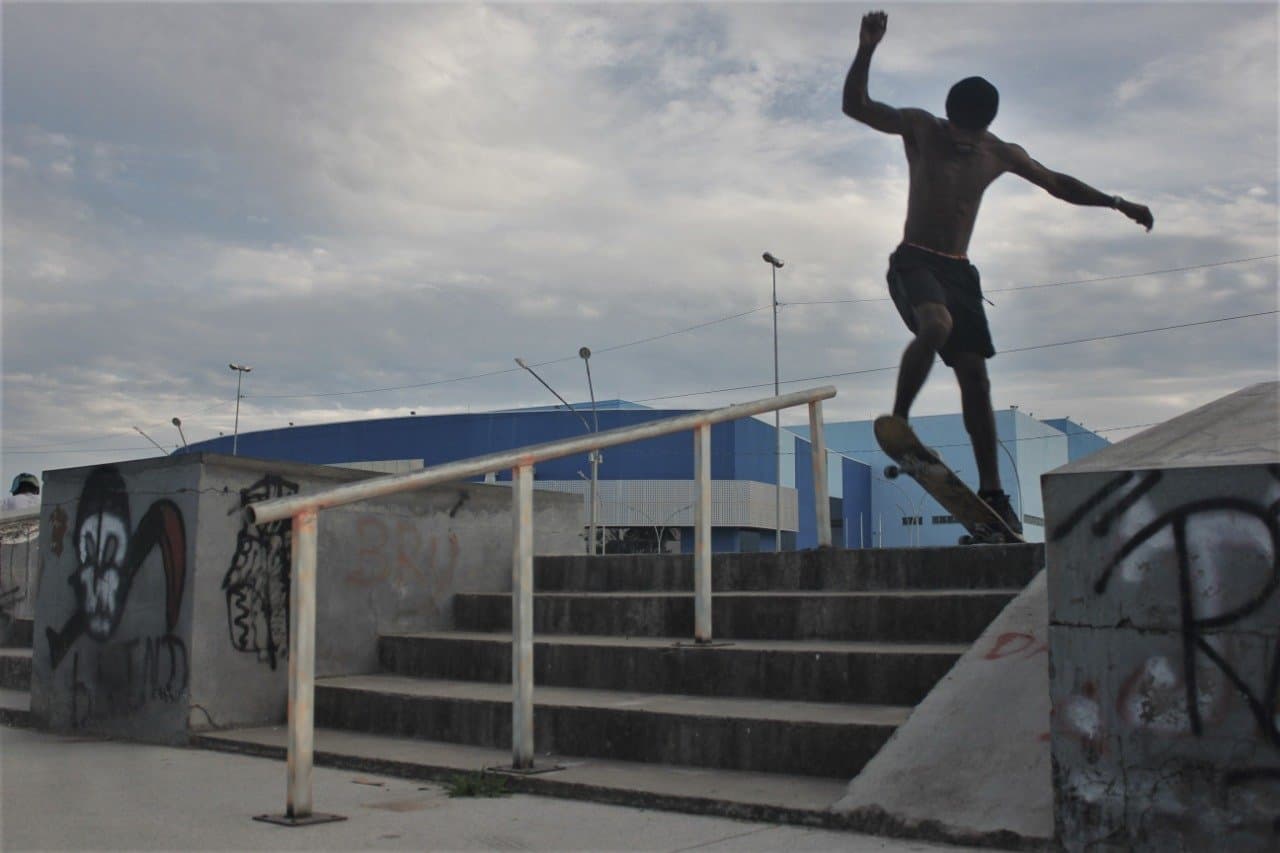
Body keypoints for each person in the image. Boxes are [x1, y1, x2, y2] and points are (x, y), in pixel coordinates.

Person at [843, 10, 1153, 533]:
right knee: (935, 324)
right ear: (948, 120)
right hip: (914, 259)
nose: (964, 146)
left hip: (961, 273)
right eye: (958, 135)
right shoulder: (920, 126)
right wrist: (867, 49)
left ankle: (993, 493)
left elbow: (1058, 183)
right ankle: (900, 421)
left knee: (978, 383)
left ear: (985, 128)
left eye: (973, 138)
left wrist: (1116, 202)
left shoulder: (999, 152)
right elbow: (858, 106)